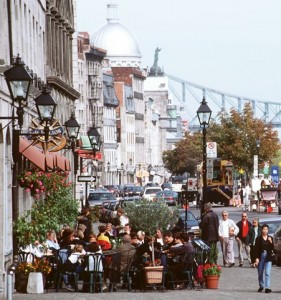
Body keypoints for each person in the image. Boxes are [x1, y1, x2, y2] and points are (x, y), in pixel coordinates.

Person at [254, 224, 274, 293]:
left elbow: (273, 248)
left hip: (268, 257)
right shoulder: (258, 239)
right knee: (260, 272)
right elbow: (256, 249)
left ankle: (267, 287)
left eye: (266, 229)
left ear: (268, 230)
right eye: (264, 229)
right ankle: (261, 286)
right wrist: (256, 258)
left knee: (267, 273)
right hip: (261, 256)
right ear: (261, 230)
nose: (265, 231)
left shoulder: (270, 237)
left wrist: (271, 242)